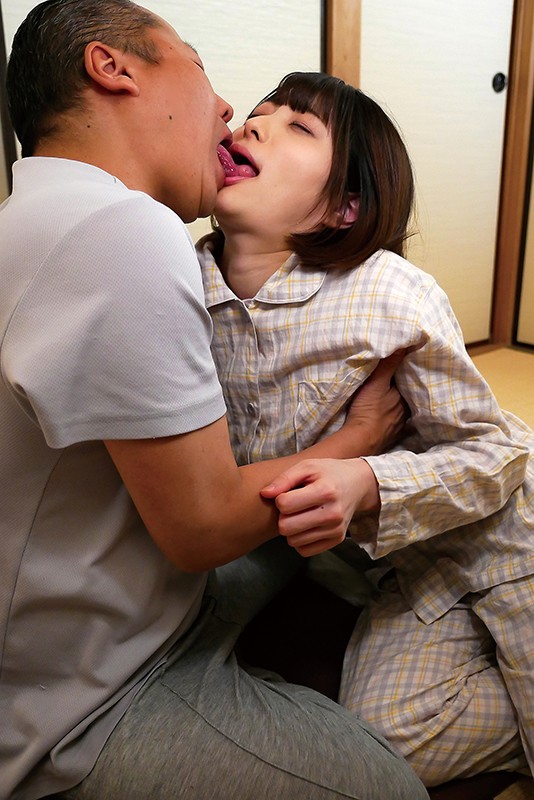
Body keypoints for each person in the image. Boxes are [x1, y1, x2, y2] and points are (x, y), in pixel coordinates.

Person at [0, 2, 432, 799]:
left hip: (136, 585)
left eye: (297, 126)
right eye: (199, 67)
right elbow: (202, 527)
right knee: (391, 787)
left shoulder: (31, 214)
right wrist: (359, 438)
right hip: (84, 701)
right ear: (113, 68)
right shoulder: (125, 230)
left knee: (308, 565)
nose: (234, 112)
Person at [198, 71, 534, 787]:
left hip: (505, 541)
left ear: (342, 207)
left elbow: (496, 450)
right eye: (257, 112)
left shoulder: (387, 292)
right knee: (385, 749)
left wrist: (366, 480)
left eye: (297, 126)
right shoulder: (182, 292)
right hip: (398, 572)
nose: (253, 124)